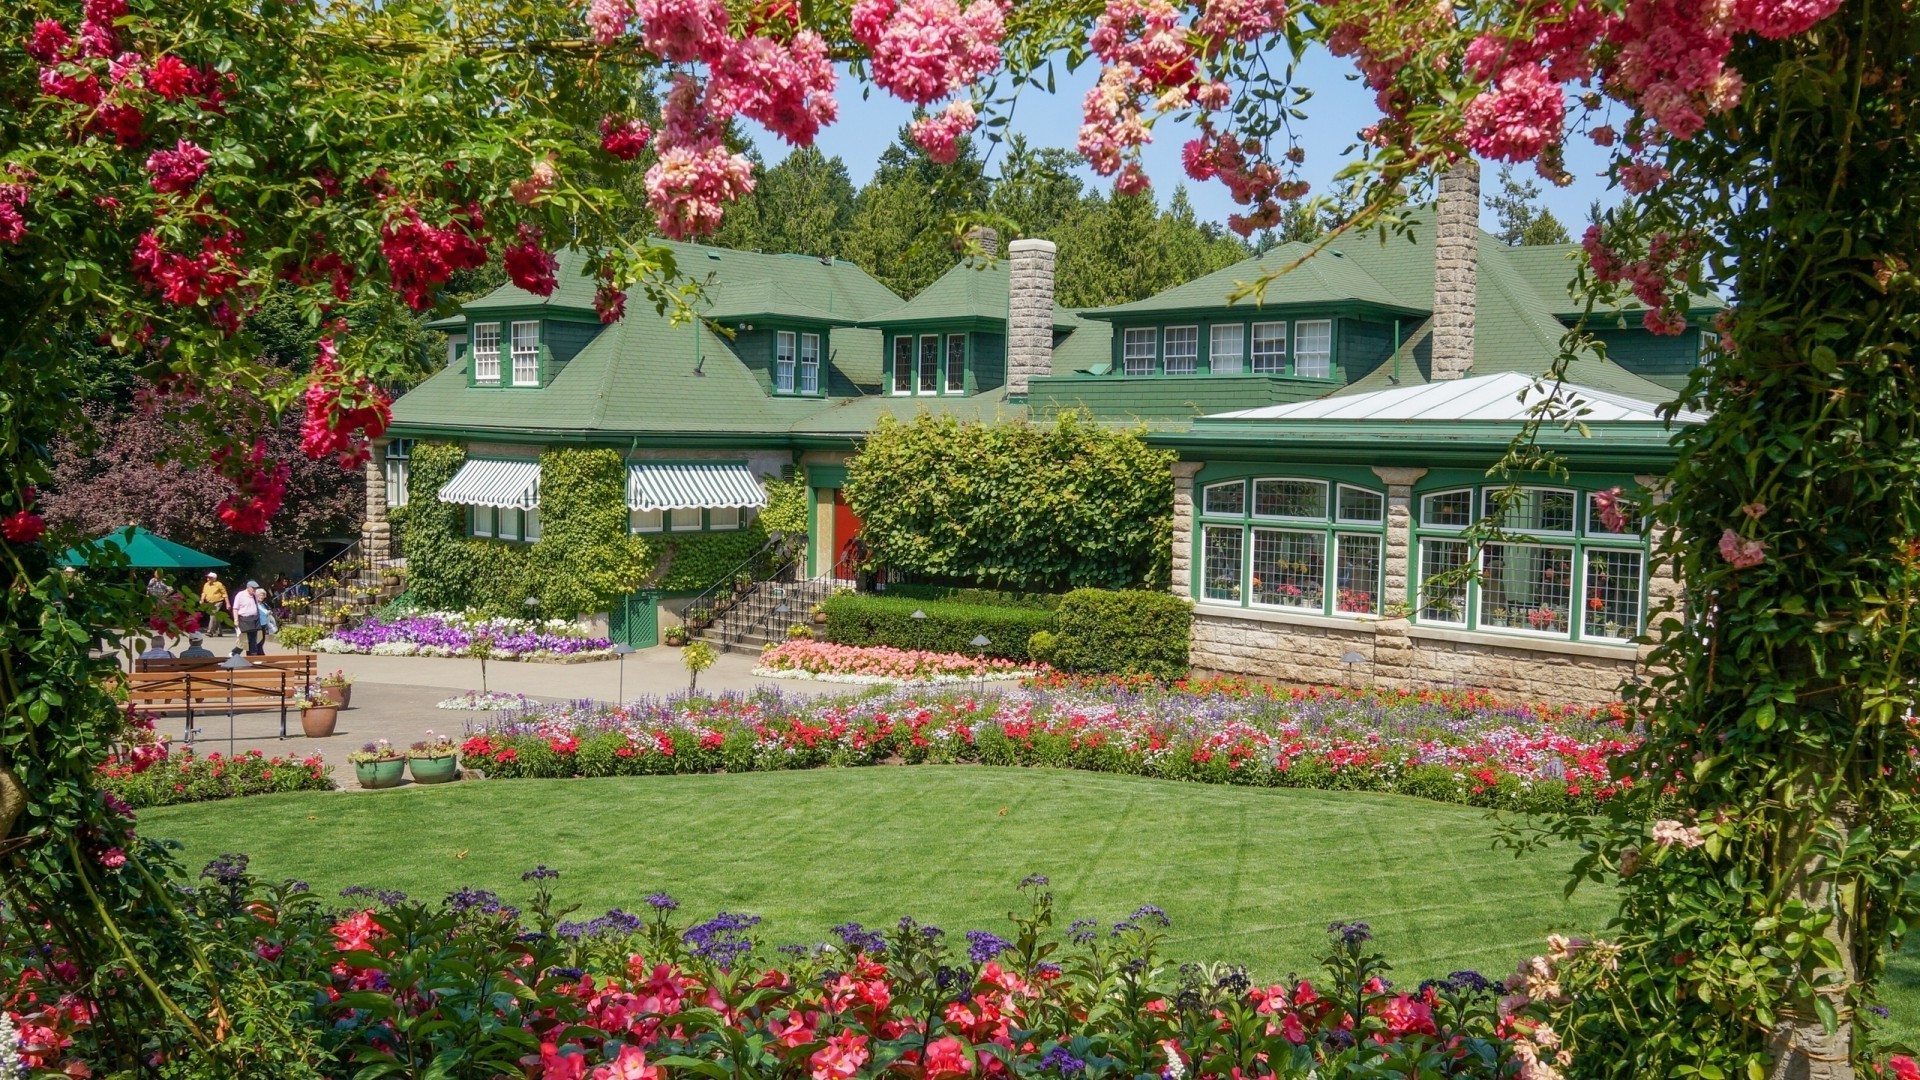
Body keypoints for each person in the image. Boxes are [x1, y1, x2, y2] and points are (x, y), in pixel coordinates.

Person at [232, 579, 264, 656]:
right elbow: (235, 608)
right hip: (244, 619)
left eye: (255, 588)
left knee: (254, 639)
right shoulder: (240, 595)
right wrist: (236, 620)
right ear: (248, 587)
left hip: (254, 619)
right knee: (244, 639)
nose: (255, 590)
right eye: (253, 588)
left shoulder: (254, 595)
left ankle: (253, 656)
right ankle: (234, 653)